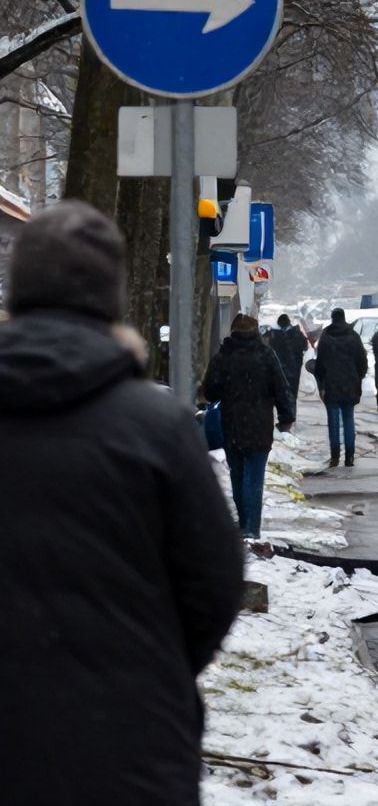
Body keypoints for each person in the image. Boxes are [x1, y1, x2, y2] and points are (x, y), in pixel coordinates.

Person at [0, 201, 242, 805]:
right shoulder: (157, 426)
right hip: (132, 748)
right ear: (113, 298)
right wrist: (151, 661)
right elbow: (214, 583)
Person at [204, 313, 296, 538]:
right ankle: (251, 529)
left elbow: (210, 392)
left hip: (232, 426)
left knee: (237, 476)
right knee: (254, 478)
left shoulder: (223, 357)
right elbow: (281, 389)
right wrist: (286, 417)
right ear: (255, 332)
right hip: (259, 427)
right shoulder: (266, 355)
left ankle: (244, 523)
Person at [312, 307, 367, 467]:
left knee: (334, 422)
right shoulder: (353, 336)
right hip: (350, 385)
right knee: (348, 420)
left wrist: (322, 384)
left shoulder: (326, 336)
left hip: (331, 385)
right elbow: (362, 361)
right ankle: (349, 457)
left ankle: (335, 456)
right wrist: (358, 378)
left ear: (332, 318)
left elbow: (320, 364)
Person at [265, 312, 308, 417]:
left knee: (280, 394)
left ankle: (284, 418)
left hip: (279, 370)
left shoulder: (273, 335)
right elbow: (304, 347)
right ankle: (291, 416)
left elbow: (268, 350)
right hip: (294, 370)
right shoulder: (297, 333)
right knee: (292, 394)